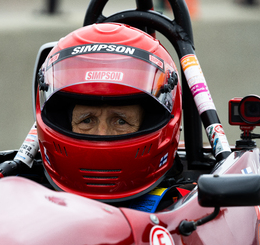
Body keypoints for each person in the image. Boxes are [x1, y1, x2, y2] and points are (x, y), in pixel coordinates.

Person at [35, 23, 190, 212]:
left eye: (120, 121)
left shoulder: (194, 207)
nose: (102, 134)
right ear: (63, 120)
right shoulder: (22, 197)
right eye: (87, 120)